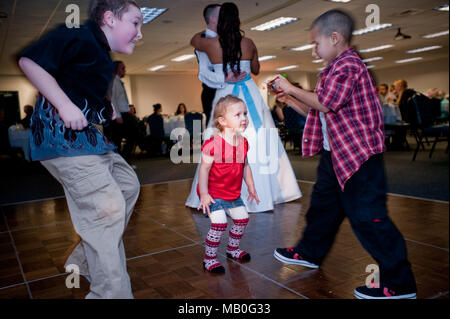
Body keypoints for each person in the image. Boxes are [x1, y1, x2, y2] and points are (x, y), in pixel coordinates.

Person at [271, 9, 417, 299]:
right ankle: (309, 252)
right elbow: (319, 112)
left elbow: (326, 103)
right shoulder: (331, 70)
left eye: (316, 43)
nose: (314, 50)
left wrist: (291, 86)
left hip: (359, 158)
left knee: (368, 218)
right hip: (335, 155)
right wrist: (291, 99)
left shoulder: (349, 65)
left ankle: (400, 284)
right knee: (323, 209)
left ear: (335, 38)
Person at [17, 0, 143, 298]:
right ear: (110, 19)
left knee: (128, 185)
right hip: (62, 140)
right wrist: (63, 105)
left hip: (87, 140)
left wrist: (107, 107)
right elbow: (29, 62)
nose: (140, 33)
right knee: (107, 210)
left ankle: (84, 260)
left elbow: (78, 86)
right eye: (135, 23)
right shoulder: (78, 34)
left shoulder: (100, 53)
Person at [186, 2, 301, 213]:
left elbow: (194, 40)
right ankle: (267, 193)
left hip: (226, 93)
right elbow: (256, 69)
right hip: (250, 93)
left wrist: (210, 32)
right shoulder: (248, 42)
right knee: (260, 139)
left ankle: (219, 191)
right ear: (238, 20)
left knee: (220, 139)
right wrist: (247, 65)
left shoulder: (211, 45)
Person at [197, 94, 259, 273]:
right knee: (219, 223)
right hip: (214, 192)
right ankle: (209, 259)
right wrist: (204, 194)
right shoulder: (212, 144)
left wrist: (251, 185)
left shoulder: (243, 143)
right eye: (238, 115)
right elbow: (204, 170)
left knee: (242, 219)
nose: (244, 118)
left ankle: (232, 249)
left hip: (232, 192)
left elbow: (245, 165)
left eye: (245, 114)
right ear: (222, 121)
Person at [195, 3, 247, 125]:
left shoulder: (227, 40)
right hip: (213, 92)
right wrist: (225, 78)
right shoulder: (205, 41)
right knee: (216, 127)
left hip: (230, 90)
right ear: (213, 18)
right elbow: (204, 72)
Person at [107, 60, 131, 155]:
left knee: (129, 137)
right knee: (118, 139)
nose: (125, 70)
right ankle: (122, 160)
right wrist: (117, 115)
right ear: (116, 69)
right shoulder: (113, 81)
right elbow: (112, 100)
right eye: (123, 68)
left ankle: (124, 160)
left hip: (124, 114)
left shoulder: (119, 82)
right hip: (119, 116)